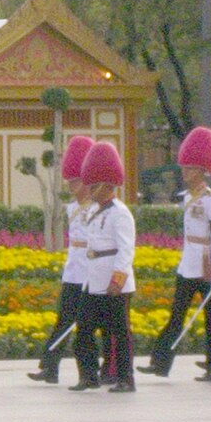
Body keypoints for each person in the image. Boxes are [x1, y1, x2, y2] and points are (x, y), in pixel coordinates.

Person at [137, 127, 211, 381]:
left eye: (190, 168)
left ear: (202, 170)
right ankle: (161, 362)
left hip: (207, 264)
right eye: (184, 168)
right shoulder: (187, 197)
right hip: (188, 263)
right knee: (176, 314)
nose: (185, 173)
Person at [69, 142, 137, 393]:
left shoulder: (121, 213)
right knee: (84, 331)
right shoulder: (96, 211)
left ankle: (126, 379)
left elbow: (126, 249)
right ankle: (88, 375)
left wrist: (118, 279)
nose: (89, 189)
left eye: (93, 184)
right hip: (94, 280)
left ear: (107, 184)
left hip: (113, 281)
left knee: (119, 334)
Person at [28, 136, 95, 384]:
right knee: (64, 319)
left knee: (93, 326)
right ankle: (50, 366)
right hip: (74, 269)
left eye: (76, 181)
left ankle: (104, 369)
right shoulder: (71, 208)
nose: (72, 185)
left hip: (90, 270)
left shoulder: (96, 208)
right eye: (71, 181)